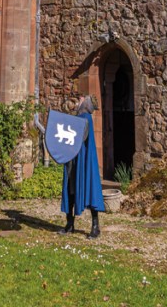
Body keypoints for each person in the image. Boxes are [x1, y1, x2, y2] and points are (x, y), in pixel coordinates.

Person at [59, 95, 105, 238]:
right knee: (69, 189)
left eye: (82, 99)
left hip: (83, 159)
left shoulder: (85, 117)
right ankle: (69, 224)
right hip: (72, 158)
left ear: (86, 103)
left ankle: (95, 227)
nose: (79, 98)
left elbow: (80, 137)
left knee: (89, 189)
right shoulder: (78, 117)